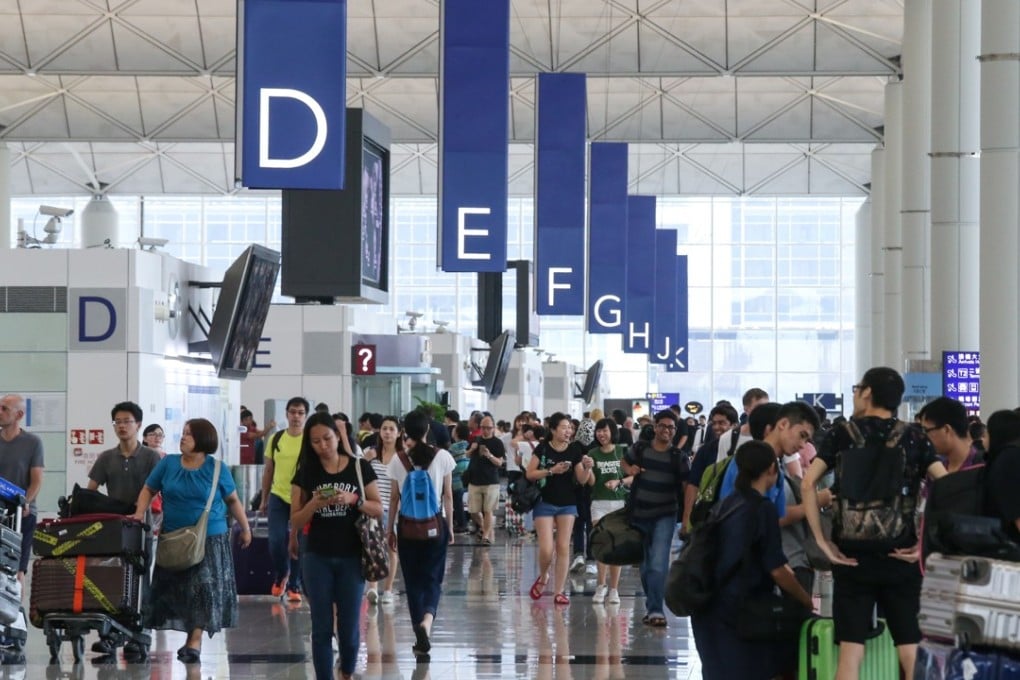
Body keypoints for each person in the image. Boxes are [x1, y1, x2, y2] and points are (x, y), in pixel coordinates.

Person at [802, 367, 947, 679]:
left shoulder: (842, 434)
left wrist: (823, 542)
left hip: (851, 559)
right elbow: (946, 486)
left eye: (857, 388)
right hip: (901, 557)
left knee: (851, 652)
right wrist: (923, 542)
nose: (855, 393)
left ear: (867, 392)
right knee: (910, 649)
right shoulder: (914, 436)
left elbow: (808, 484)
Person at [691, 441, 814, 680]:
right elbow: (777, 569)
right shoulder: (762, 508)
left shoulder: (725, 505)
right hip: (741, 610)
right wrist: (804, 599)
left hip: (709, 607)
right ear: (771, 469)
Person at [132, 418, 251, 665]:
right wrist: (138, 513)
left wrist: (246, 528)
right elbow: (148, 489)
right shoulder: (168, 463)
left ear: (203, 440)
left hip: (209, 538)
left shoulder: (217, 468)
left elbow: (233, 501)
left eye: (189, 434)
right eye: (184, 433)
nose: (183, 437)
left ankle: (194, 640)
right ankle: (189, 635)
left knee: (202, 589)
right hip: (174, 539)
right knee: (180, 588)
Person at [291, 412, 382, 680]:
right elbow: (295, 519)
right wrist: (314, 504)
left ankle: (347, 672)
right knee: (320, 626)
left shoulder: (359, 467)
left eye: (327, 438)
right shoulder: (306, 472)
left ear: (338, 436)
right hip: (317, 555)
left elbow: (377, 508)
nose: (323, 446)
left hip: (352, 556)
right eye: (316, 441)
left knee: (349, 626)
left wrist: (353, 500)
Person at [87, 401, 161, 656]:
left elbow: (155, 491)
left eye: (127, 421)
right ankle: (111, 634)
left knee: (141, 580)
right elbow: (90, 491)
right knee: (112, 578)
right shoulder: (107, 458)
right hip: (113, 529)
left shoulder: (151, 457)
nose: (121, 426)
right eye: (117, 421)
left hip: (141, 528)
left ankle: (141, 633)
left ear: (138, 424)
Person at [386, 410, 455, 659]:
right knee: (433, 579)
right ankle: (427, 621)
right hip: (435, 526)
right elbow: (448, 496)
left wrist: (389, 529)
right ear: (428, 430)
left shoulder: (398, 460)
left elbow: (394, 498)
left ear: (405, 433)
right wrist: (451, 527)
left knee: (413, 582)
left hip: (406, 528)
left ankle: (419, 634)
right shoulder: (443, 456)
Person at [621, 409, 688, 627]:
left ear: (675, 431)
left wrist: (687, 517)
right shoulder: (641, 448)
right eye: (663, 426)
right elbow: (624, 462)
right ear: (655, 427)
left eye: (671, 427)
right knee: (646, 565)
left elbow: (687, 487)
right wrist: (630, 469)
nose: (666, 430)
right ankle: (652, 605)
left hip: (665, 515)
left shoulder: (678, 456)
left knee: (659, 563)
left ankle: (656, 610)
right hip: (639, 513)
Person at [525, 412, 594, 605]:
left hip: (568, 503)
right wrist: (551, 471)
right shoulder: (543, 448)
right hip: (544, 502)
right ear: (553, 429)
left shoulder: (574, 450)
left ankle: (559, 591)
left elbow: (581, 479)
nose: (568, 431)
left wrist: (587, 467)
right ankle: (544, 575)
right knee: (547, 549)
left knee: (563, 547)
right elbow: (530, 473)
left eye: (570, 428)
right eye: (564, 427)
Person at [259, 396, 308, 602]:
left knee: (298, 541)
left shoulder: (309, 441)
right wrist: (264, 498)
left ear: (305, 416)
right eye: (292, 412)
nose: (296, 416)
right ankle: (282, 574)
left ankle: (294, 584)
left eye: (300, 413)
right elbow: (269, 469)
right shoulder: (276, 439)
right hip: (279, 496)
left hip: (302, 497)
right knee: (276, 540)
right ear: (286, 414)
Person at [0, 394, 44, 581]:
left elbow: (36, 480)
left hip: (22, 513)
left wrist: (25, 502)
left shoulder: (32, 443)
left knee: (17, 568)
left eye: (4, 409)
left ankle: (16, 607)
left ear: (18, 415)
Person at [588, 417, 630, 604]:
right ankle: (600, 585)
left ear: (613, 432)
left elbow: (634, 476)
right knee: (601, 544)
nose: (601, 434)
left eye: (605, 430)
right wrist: (586, 468)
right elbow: (589, 482)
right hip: (598, 503)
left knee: (616, 548)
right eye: (599, 430)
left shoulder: (623, 451)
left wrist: (619, 482)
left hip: (619, 503)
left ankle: (614, 589)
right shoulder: (592, 454)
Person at [363, 415, 401, 605]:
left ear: (398, 433)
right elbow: (358, 476)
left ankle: (388, 589)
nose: (387, 432)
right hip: (373, 508)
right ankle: (373, 588)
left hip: (394, 509)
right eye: (384, 428)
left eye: (391, 429)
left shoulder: (402, 457)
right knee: (372, 548)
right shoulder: (371, 454)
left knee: (391, 548)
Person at [465, 415, 505, 546]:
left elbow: (500, 463)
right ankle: (483, 527)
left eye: (488, 428)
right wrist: (472, 449)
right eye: (483, 427)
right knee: (473, 510)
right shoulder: (476, 439)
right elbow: (467, 455)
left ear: (493, 428)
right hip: (474, 480)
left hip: (491, 481)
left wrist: (489, 455)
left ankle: (486, 536)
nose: (485, 430)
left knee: (488, 510)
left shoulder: (497, 443)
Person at [983, 409, 1020, 544]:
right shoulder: (1010, 457)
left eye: (986, 433)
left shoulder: (1008, 460)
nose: (983, 439)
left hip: (1008, 549)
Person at [917, 397, 981, 472]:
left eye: (926, 430)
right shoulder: (937, 468)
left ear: (946, 430)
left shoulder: (982, 468)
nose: (923, 437)